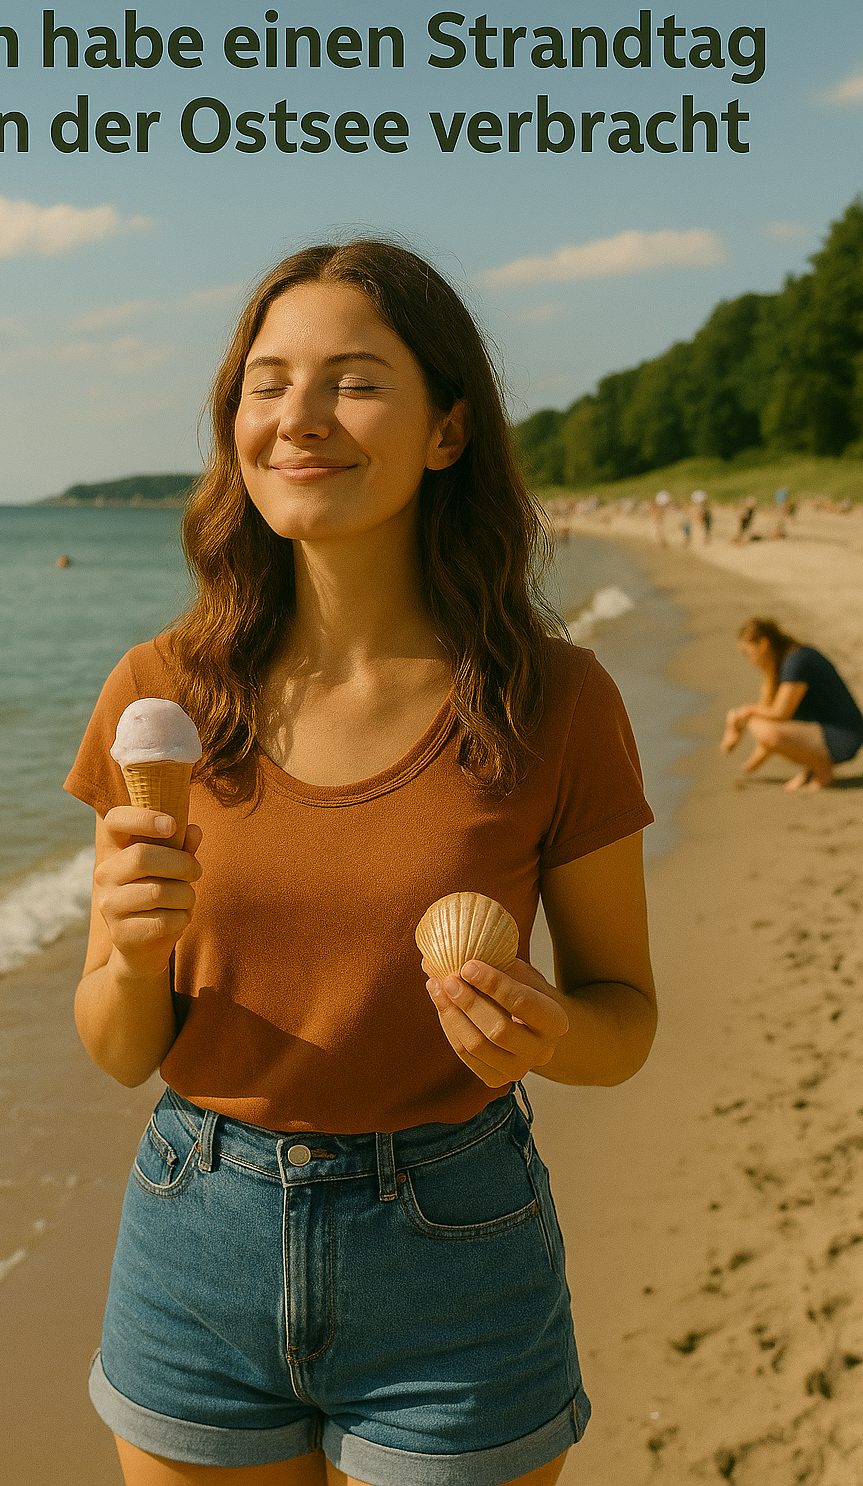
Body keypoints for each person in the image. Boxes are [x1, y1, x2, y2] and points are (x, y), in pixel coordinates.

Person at [65, 241, 657, 1486]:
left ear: (447, 431)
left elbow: (626, 1020)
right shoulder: (159, 695)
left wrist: (543, 1030)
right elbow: (122, 1048)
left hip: (455, 1249)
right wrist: (124, 948)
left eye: (354, 381)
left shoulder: (554, 699)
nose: (299, 417)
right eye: (266, 382)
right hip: (196, 1234)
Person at [721, 617, 863, 790]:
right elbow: (772, 716)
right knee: (760, 723)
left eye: (747, 653)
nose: (750, 660)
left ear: (764, 644)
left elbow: (780, 714)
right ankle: (811, 769)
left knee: (759, 725)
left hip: (843, 737)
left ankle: (822, 771)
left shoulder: (796, 661)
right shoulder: (786, 662)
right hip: (832, 733)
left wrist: (743, 713)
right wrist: (748, 767)